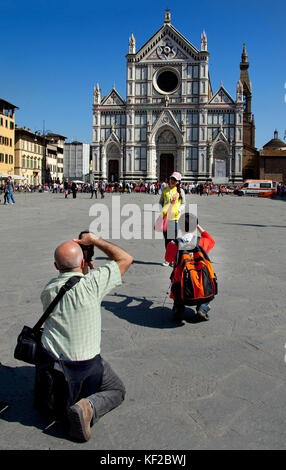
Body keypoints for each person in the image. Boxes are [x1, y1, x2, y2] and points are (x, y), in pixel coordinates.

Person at [34, 232, 133, 442]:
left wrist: (81, 267)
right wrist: (95, 241)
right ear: (83, 262)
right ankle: (88, 407)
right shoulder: (92, 285)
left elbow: (69, 284)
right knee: (117, 389)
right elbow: (125, 258)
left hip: (53, 364)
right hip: (85, 366)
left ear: (55, 266)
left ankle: (54, 395)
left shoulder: (48, 290)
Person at [165, 213, 215, 323]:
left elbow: (168, 259)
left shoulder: (174, 244)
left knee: (175, 280)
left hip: (181, 287)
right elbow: (211, 239)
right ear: (195, 226)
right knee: (207, 281)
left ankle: (178, 308)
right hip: (202, 285)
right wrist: (198, 226)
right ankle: (203, 307)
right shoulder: (201, 242)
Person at [159, 172, 185, 266]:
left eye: (174, 179)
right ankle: (168, 259)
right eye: (171, 179)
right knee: (166, 240)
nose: (172, 181)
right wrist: (162, 210)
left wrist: (179, 210)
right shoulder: (165, 190)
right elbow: (160, 202)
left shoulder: (180, 191)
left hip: (174, 219)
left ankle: (174, 259)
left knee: (172, 241)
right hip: (166, 218)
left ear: (178, 182)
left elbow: (183, 203)